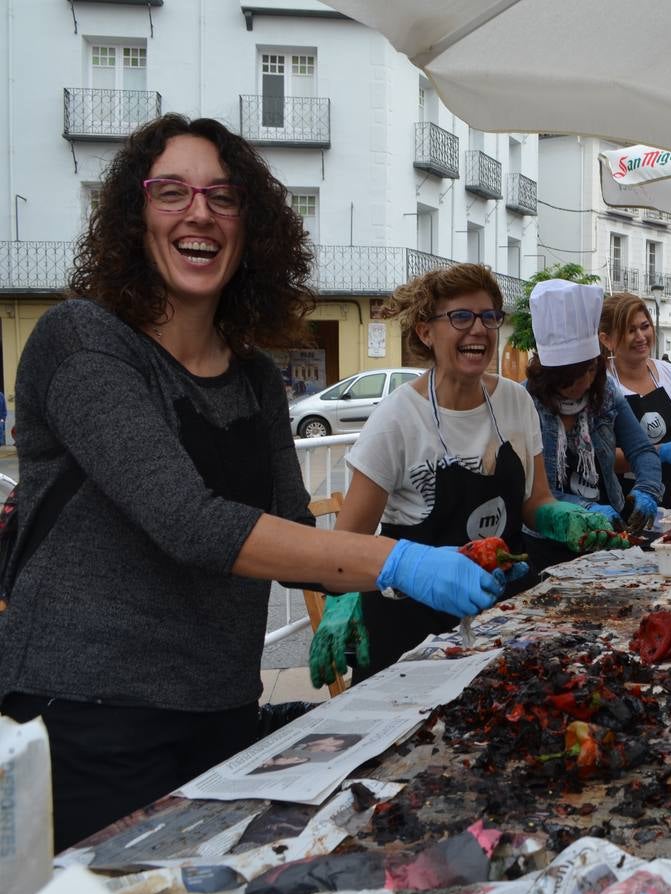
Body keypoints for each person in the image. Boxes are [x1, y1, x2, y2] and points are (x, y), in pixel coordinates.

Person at [0, 115, 514, 850]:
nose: (199, 213)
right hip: (88, 711)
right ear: (133, 215)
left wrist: (350, 595)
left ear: (251, 228)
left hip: (224, 707)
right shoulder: (83, 341)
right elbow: (190, 522)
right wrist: (398, 563)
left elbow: (296, 524)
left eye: (223, 196)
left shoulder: (252, 378)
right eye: (171, 192)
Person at [328, 267, 623, 683]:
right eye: (461, 317)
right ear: (426, 332)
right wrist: (340, 606)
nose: (479, 330)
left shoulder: (516, 402)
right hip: (411, 628)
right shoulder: (396, 419)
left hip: (501, 614)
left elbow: (535, 501)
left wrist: (563, 518)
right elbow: (346, 542)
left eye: (489, 317)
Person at [523, 279, 662, 568]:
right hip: (546, 543)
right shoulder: (524, 403)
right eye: (570, 378)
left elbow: (642, 451)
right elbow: (535, 492)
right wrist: (584, 509)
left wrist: (646, 489)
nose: (583, 383)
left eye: (589, 371)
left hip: (608, 533)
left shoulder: (607, 390)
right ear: (548, 375)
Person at [602, 293, 671, 507]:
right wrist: (659, 453)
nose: (640, 336)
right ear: (607, 340)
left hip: (664, 496)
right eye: (630, 330)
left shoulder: (670, 374)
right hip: (618, 500)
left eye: (644, 326)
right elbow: (601, 456)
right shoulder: (601, 385)